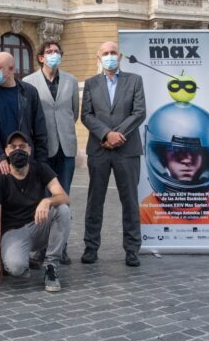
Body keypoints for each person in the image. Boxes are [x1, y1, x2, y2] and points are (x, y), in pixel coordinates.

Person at [80, 41, 146, 267]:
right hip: (99, 149)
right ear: (99, 57)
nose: (109, 56)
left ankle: (131, 249)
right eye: (105, 53)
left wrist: (117, 135)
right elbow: (86, 115)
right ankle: (90, 247)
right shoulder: (90, 84)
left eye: (113, 53)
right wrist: (106, 134)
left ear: (120, 57)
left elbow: (139, 113)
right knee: (94, 201)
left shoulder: (135, 81)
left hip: (127, 150)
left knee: (130, 201)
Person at [0, 132, 71, 292]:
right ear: (6, 151)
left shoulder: (40, 168)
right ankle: (18, 259)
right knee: (16, 268)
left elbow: (64, 197)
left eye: (22, 146)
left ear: (30, 150)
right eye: (13, 147)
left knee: (63, 210)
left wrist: (48, 200)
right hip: (13, 232)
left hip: (38, 224)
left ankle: (51, 265)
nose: (18, 150)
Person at [23, 40, 79, 264]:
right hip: (42, 150)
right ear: (40, 57)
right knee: (43, 199)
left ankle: (60, 247)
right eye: (49, 52)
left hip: (66, 148)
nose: (53, 54)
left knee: (62, 199)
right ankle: (41, 249)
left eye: (57, 51)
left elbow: (73, 112)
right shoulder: (29, 82)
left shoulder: (71, 81)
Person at [0, 51, 48, 201]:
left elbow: (40, 128)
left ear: (11, 69)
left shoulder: (29, 92)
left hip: (24, 161)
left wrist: (40, 163)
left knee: (26, 207)